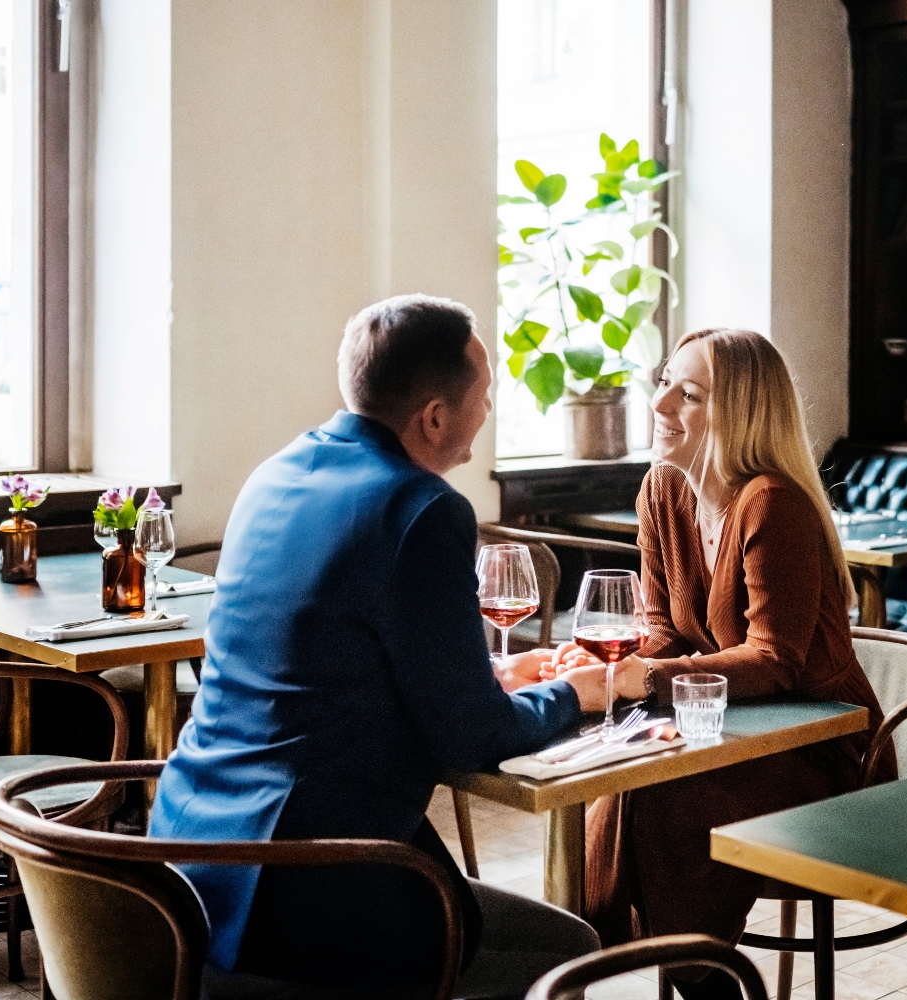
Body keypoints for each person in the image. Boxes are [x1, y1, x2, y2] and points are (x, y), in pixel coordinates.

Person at [150, 294, 613, 998]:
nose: (487, 412)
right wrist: (576, 692)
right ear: (434, 416)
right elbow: (471, 736)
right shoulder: (424, 510)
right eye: (484, 396)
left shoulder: (273, 474)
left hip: (183, 867)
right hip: (308, 895)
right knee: (569, 947)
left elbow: (326, 661)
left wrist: (494, 672)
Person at [547, 328, 895, 1000]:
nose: (660, 403)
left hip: (822, 750)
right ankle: (601, 961)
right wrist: (601, 665)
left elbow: (776, 660)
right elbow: (659, 632)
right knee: (616, 782)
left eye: (690, 393)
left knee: (667, 800)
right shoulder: (661, 492)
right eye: (664, 382)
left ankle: (698, 981)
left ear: (740, 412)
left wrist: (638, 679)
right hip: (724, 732)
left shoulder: (772, 500)